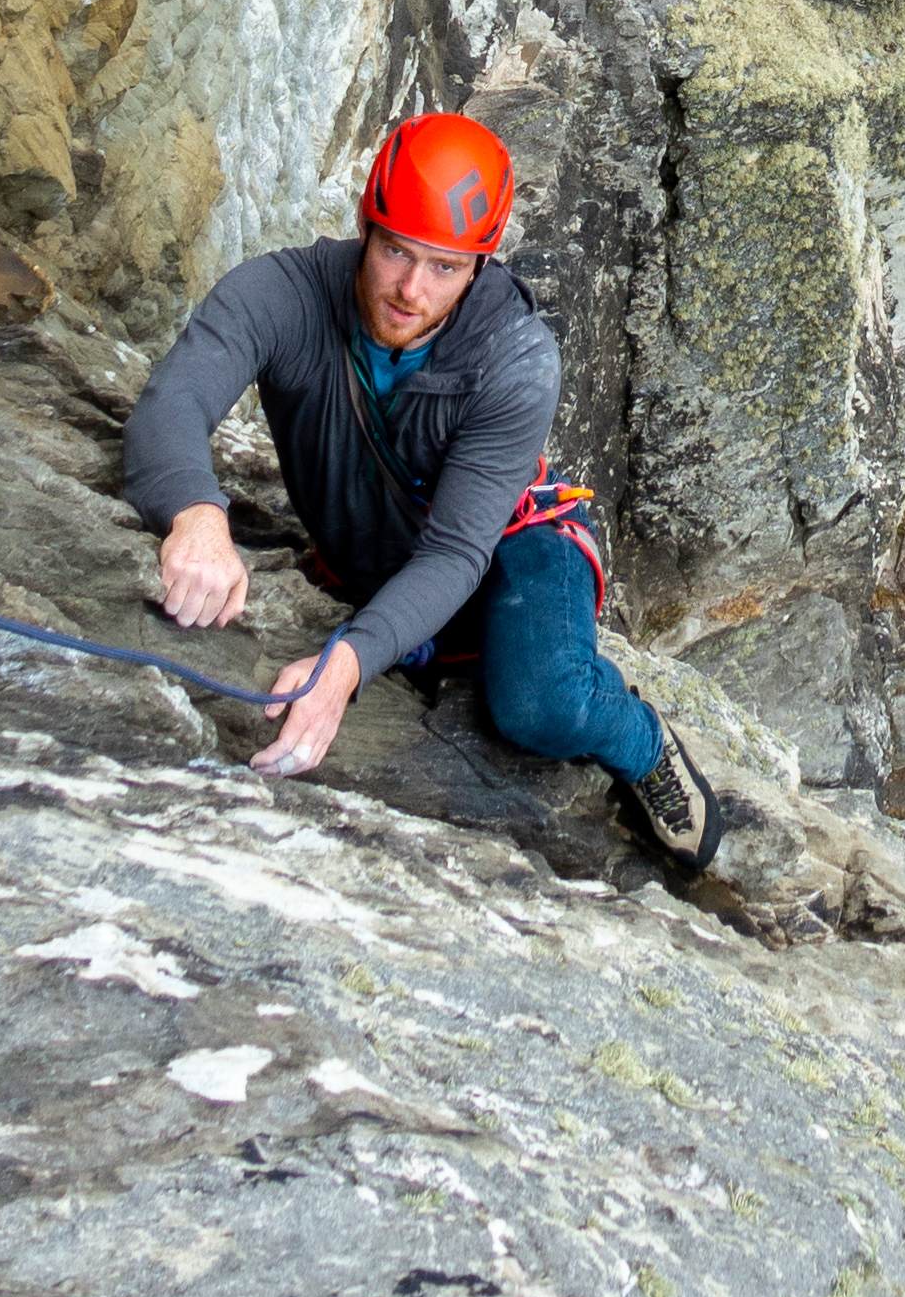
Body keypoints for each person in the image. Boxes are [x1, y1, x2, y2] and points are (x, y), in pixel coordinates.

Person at [122, 107, 726, 875]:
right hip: (379, 548)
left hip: (513, 544)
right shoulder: (280, 295)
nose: (411, 289)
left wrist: (344, 665)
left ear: (479, 267)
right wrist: (198, 520)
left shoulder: (514, 357)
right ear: (365, 230)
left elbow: (456, 550)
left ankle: (642, 741)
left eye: (444, 267)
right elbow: (171, 404)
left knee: (541, 702)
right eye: (396, 252)